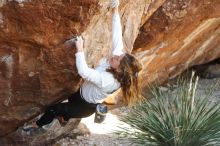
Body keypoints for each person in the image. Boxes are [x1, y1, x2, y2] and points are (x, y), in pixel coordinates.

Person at [23, 0, 142, 131]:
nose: (116, 55)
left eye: (118, 59)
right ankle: (64, 118)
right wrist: (115, 10)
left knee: (52, 109)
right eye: (119, 55)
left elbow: (84, 72)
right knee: (66, 106)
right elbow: (117, 36)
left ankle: (37, 125)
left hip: (84, 107)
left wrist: (80, 49)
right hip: (80, 94)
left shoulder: (109, 80)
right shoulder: (119, 64)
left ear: (119, 70)